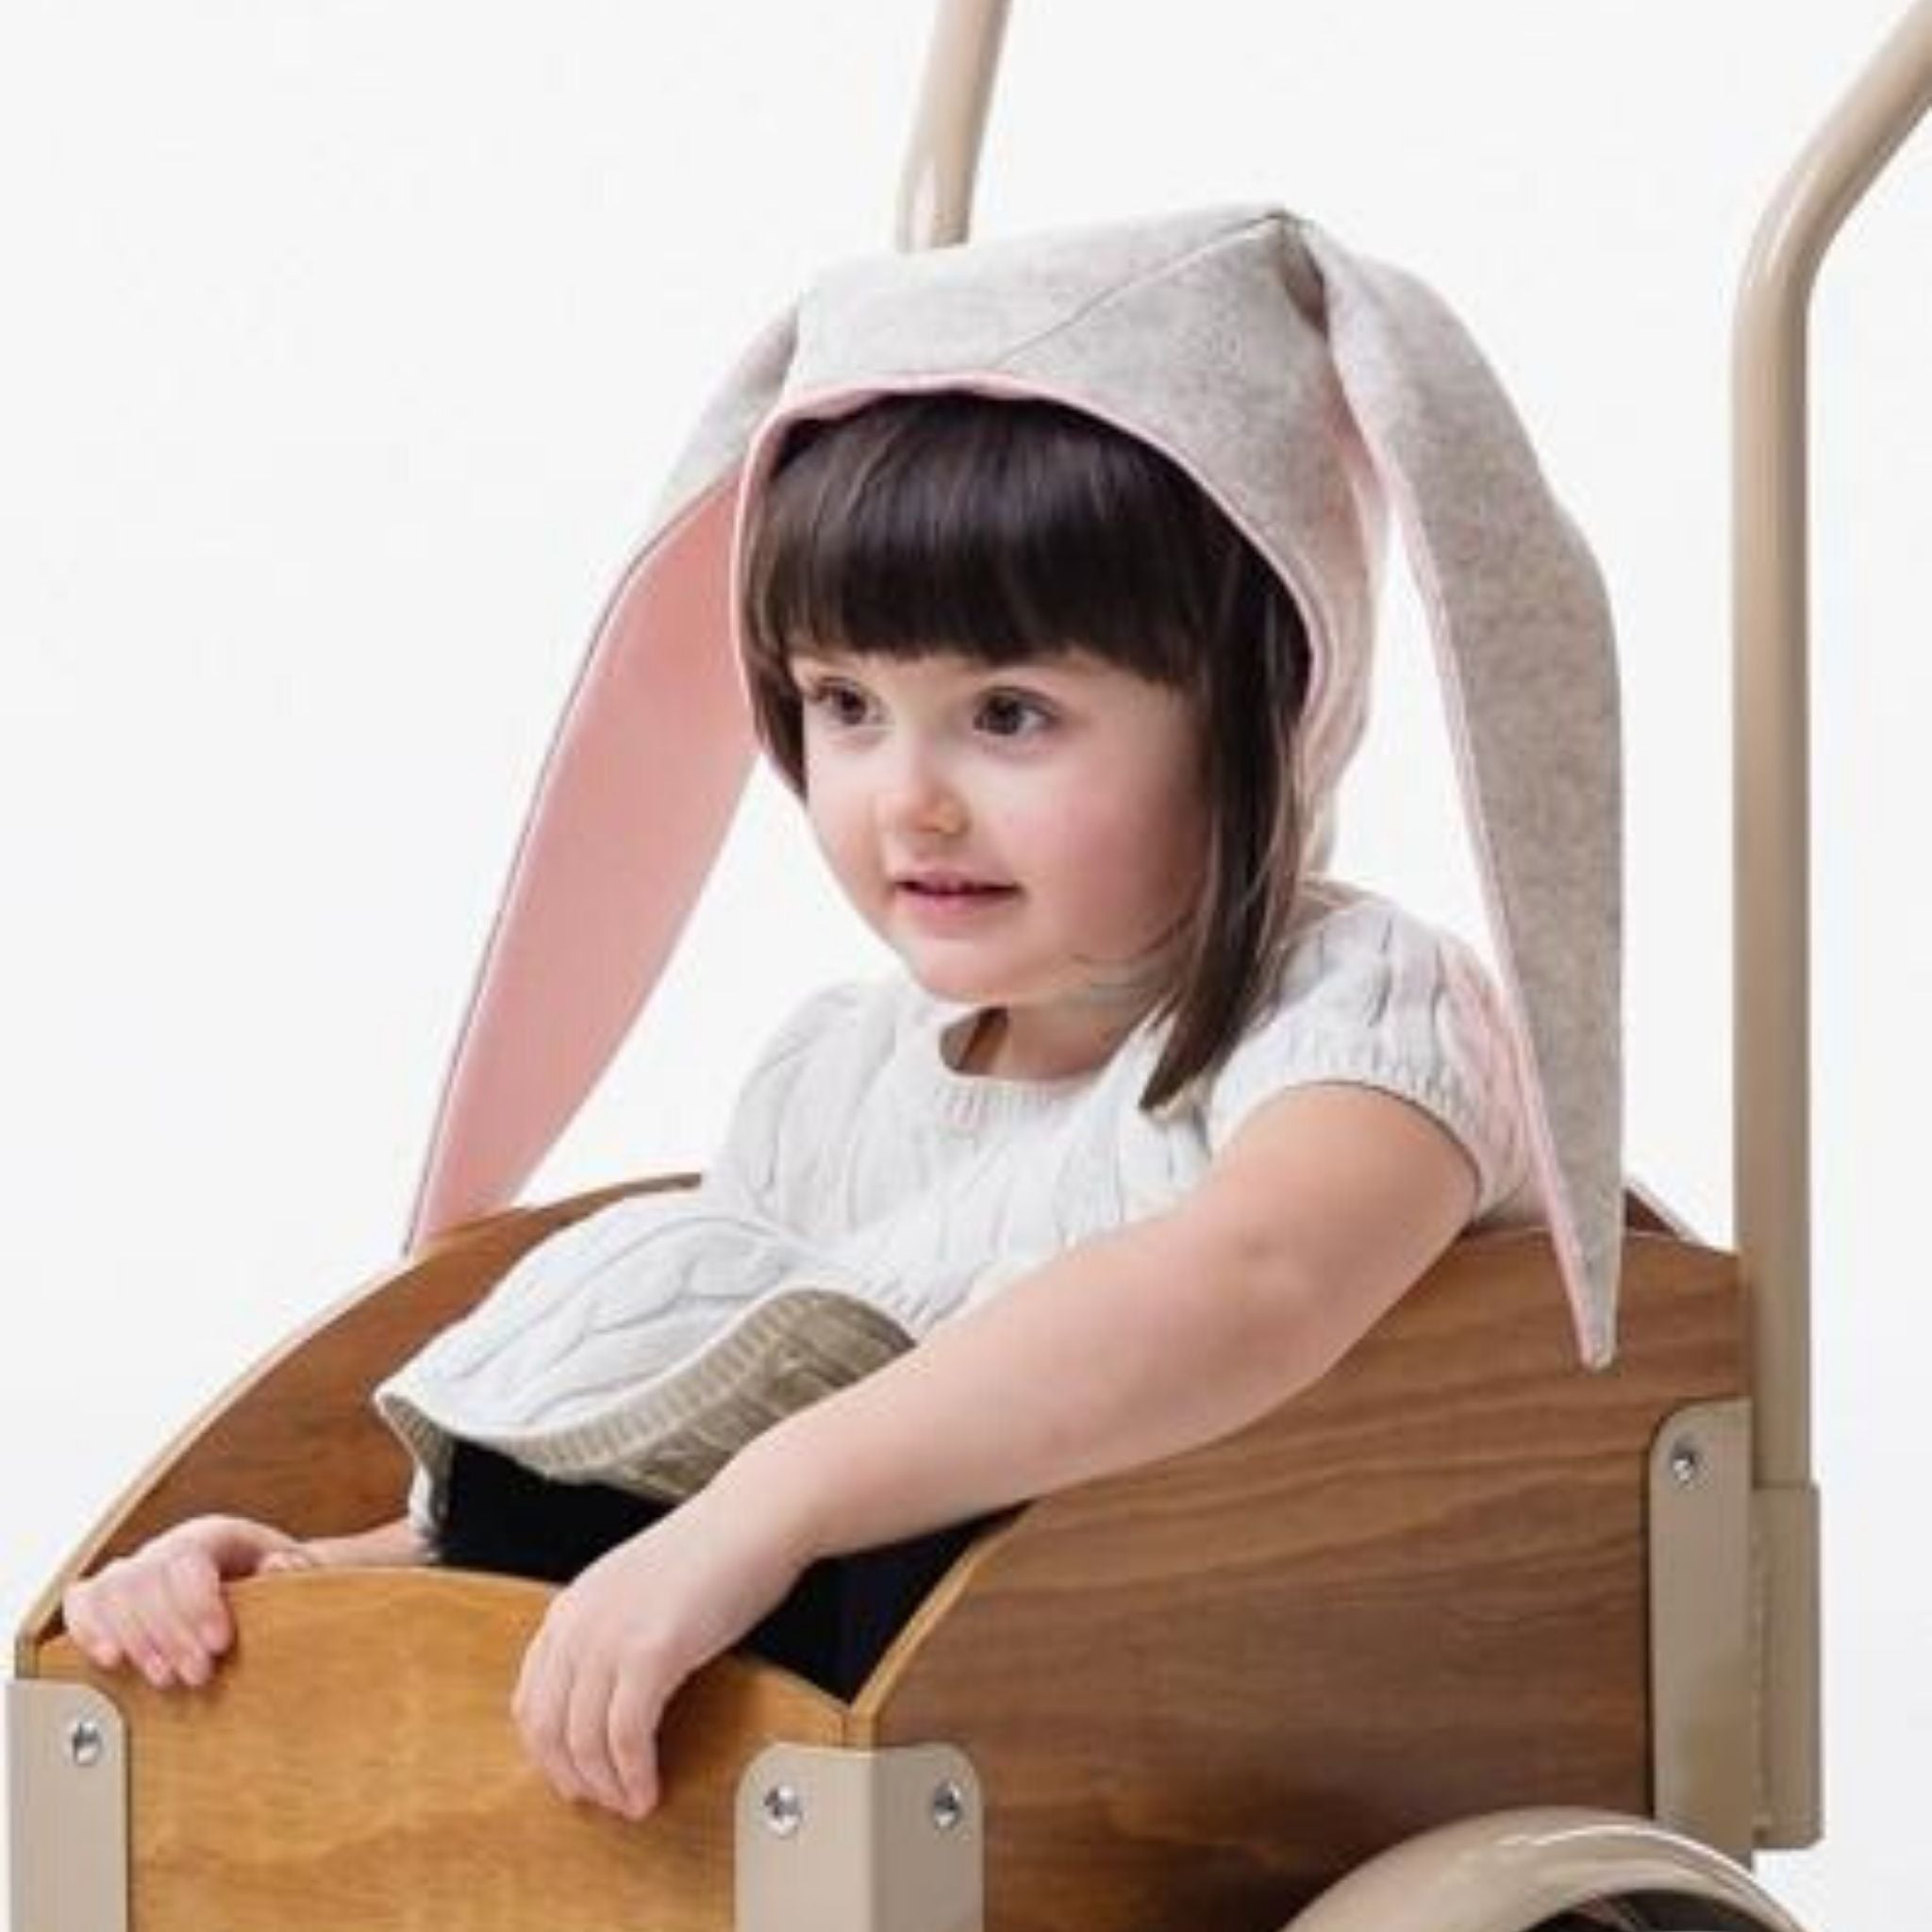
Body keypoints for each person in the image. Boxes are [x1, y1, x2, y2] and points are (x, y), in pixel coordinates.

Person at [62, 199, 1614, 1828]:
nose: (907, 803)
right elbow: (667, 1446)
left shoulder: (1361, 1020)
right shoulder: (831, 1080)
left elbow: (1246, 1285)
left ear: (1262, 708)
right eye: (846, 707)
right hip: (781, 1726)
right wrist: (350, 1576)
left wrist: (774, 1505)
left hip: (1162, 1729)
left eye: (1010, 715)